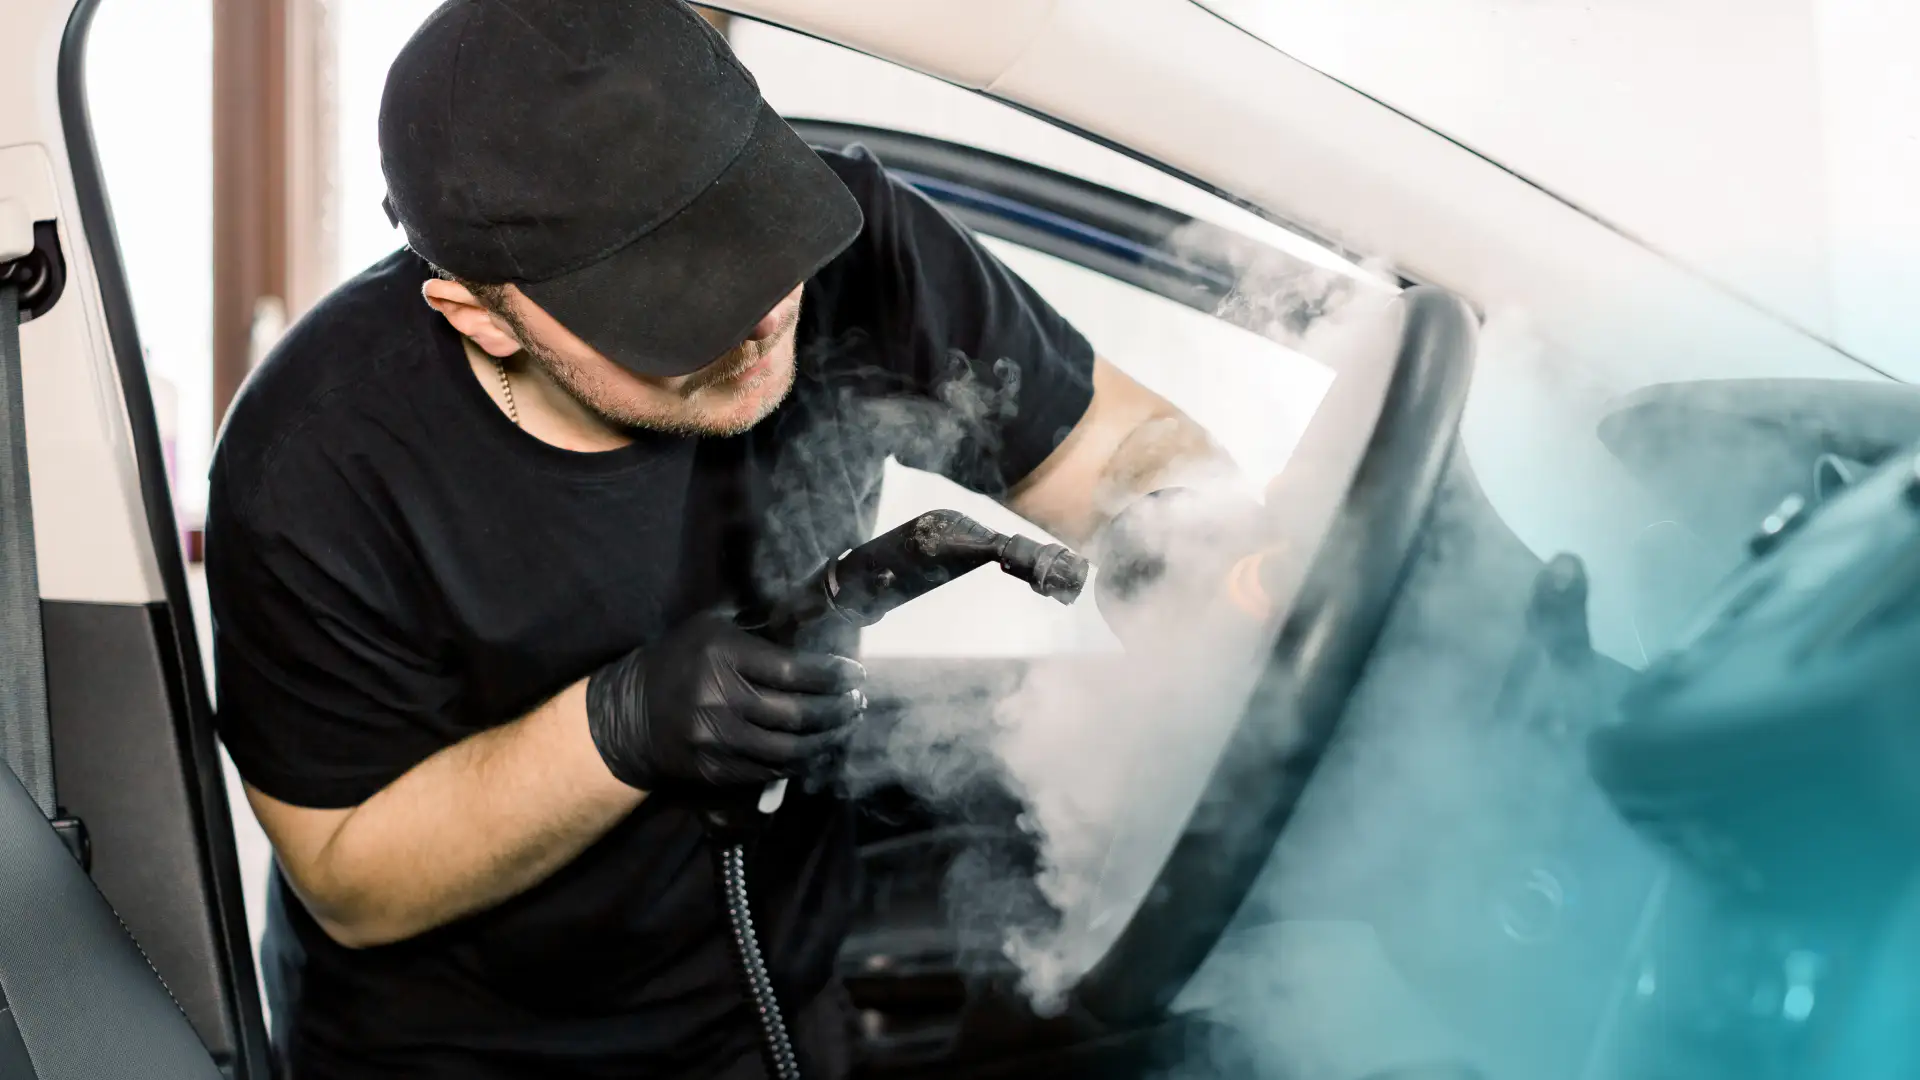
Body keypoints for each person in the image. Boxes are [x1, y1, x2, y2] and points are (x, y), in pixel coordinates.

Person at [205, 2, 1238, 1077]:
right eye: (672, 299)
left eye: (754, 233)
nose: (758, 315)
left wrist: (1174, 545)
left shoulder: (863, 243)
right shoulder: (316, 462)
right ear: (483, 316)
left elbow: (1117, 448)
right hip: (463, 1051)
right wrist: (618, 726)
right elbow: (347, 877)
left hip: (777, 1003)